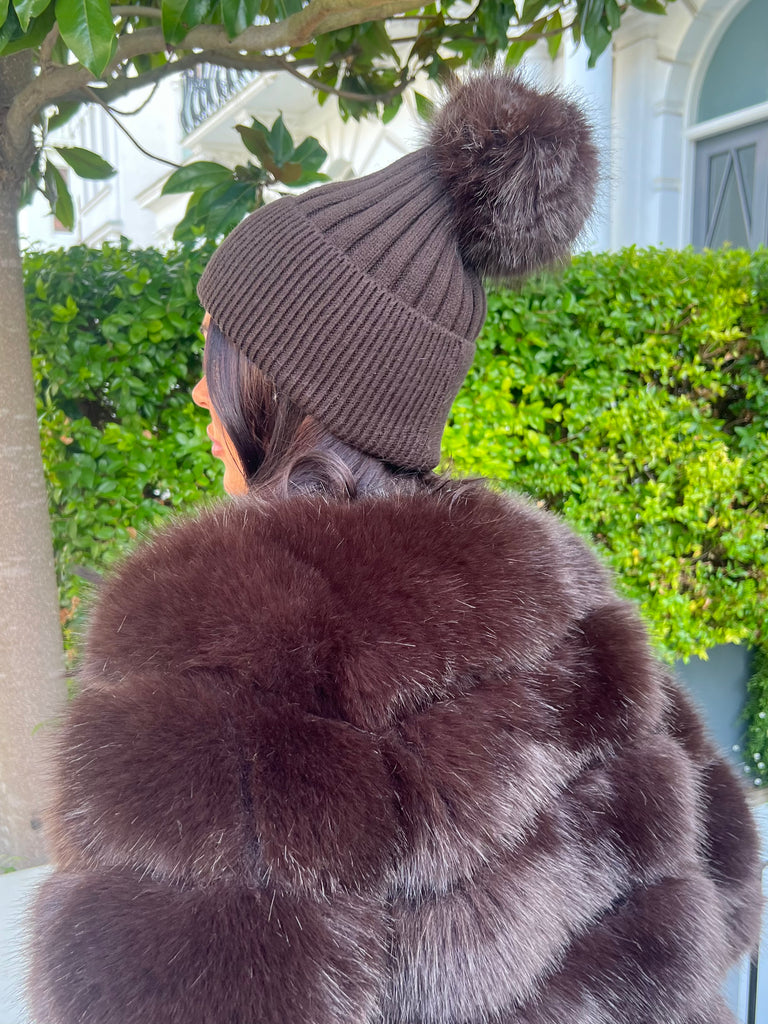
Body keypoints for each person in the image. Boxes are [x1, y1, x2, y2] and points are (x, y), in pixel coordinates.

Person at [27, 71, 762, 1024]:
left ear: (289, 387)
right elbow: (726, 880)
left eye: (219, 355)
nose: (203, 393)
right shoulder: (561, 596)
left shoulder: (229, 642)